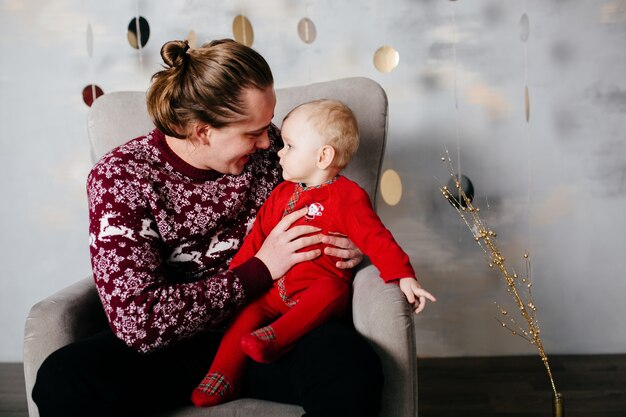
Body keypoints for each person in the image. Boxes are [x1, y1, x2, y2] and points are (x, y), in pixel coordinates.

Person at [32, 39, 382, 417]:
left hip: (273, 329)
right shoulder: (122, 178)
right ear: (202, 132)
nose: (269, 141)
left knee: (352, 366)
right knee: (63, 378)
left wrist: (350, 242)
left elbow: (331, 202)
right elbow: (138, 322)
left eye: (269, 126)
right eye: (253, 133)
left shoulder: (271, 152)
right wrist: (260, 269)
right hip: (174, 348)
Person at [192, 99, 436, 407]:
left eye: (290, 146)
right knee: (247, 313)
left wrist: (403, 276)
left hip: (316, 292)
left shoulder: (347, 197)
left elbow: (376, 238)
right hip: (274, 292)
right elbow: (257, 238)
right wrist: (236, 278)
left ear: (323, 156)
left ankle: (276, 339)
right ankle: (222, 375)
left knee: (331, 289)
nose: (279, 152)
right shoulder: (281, 194)